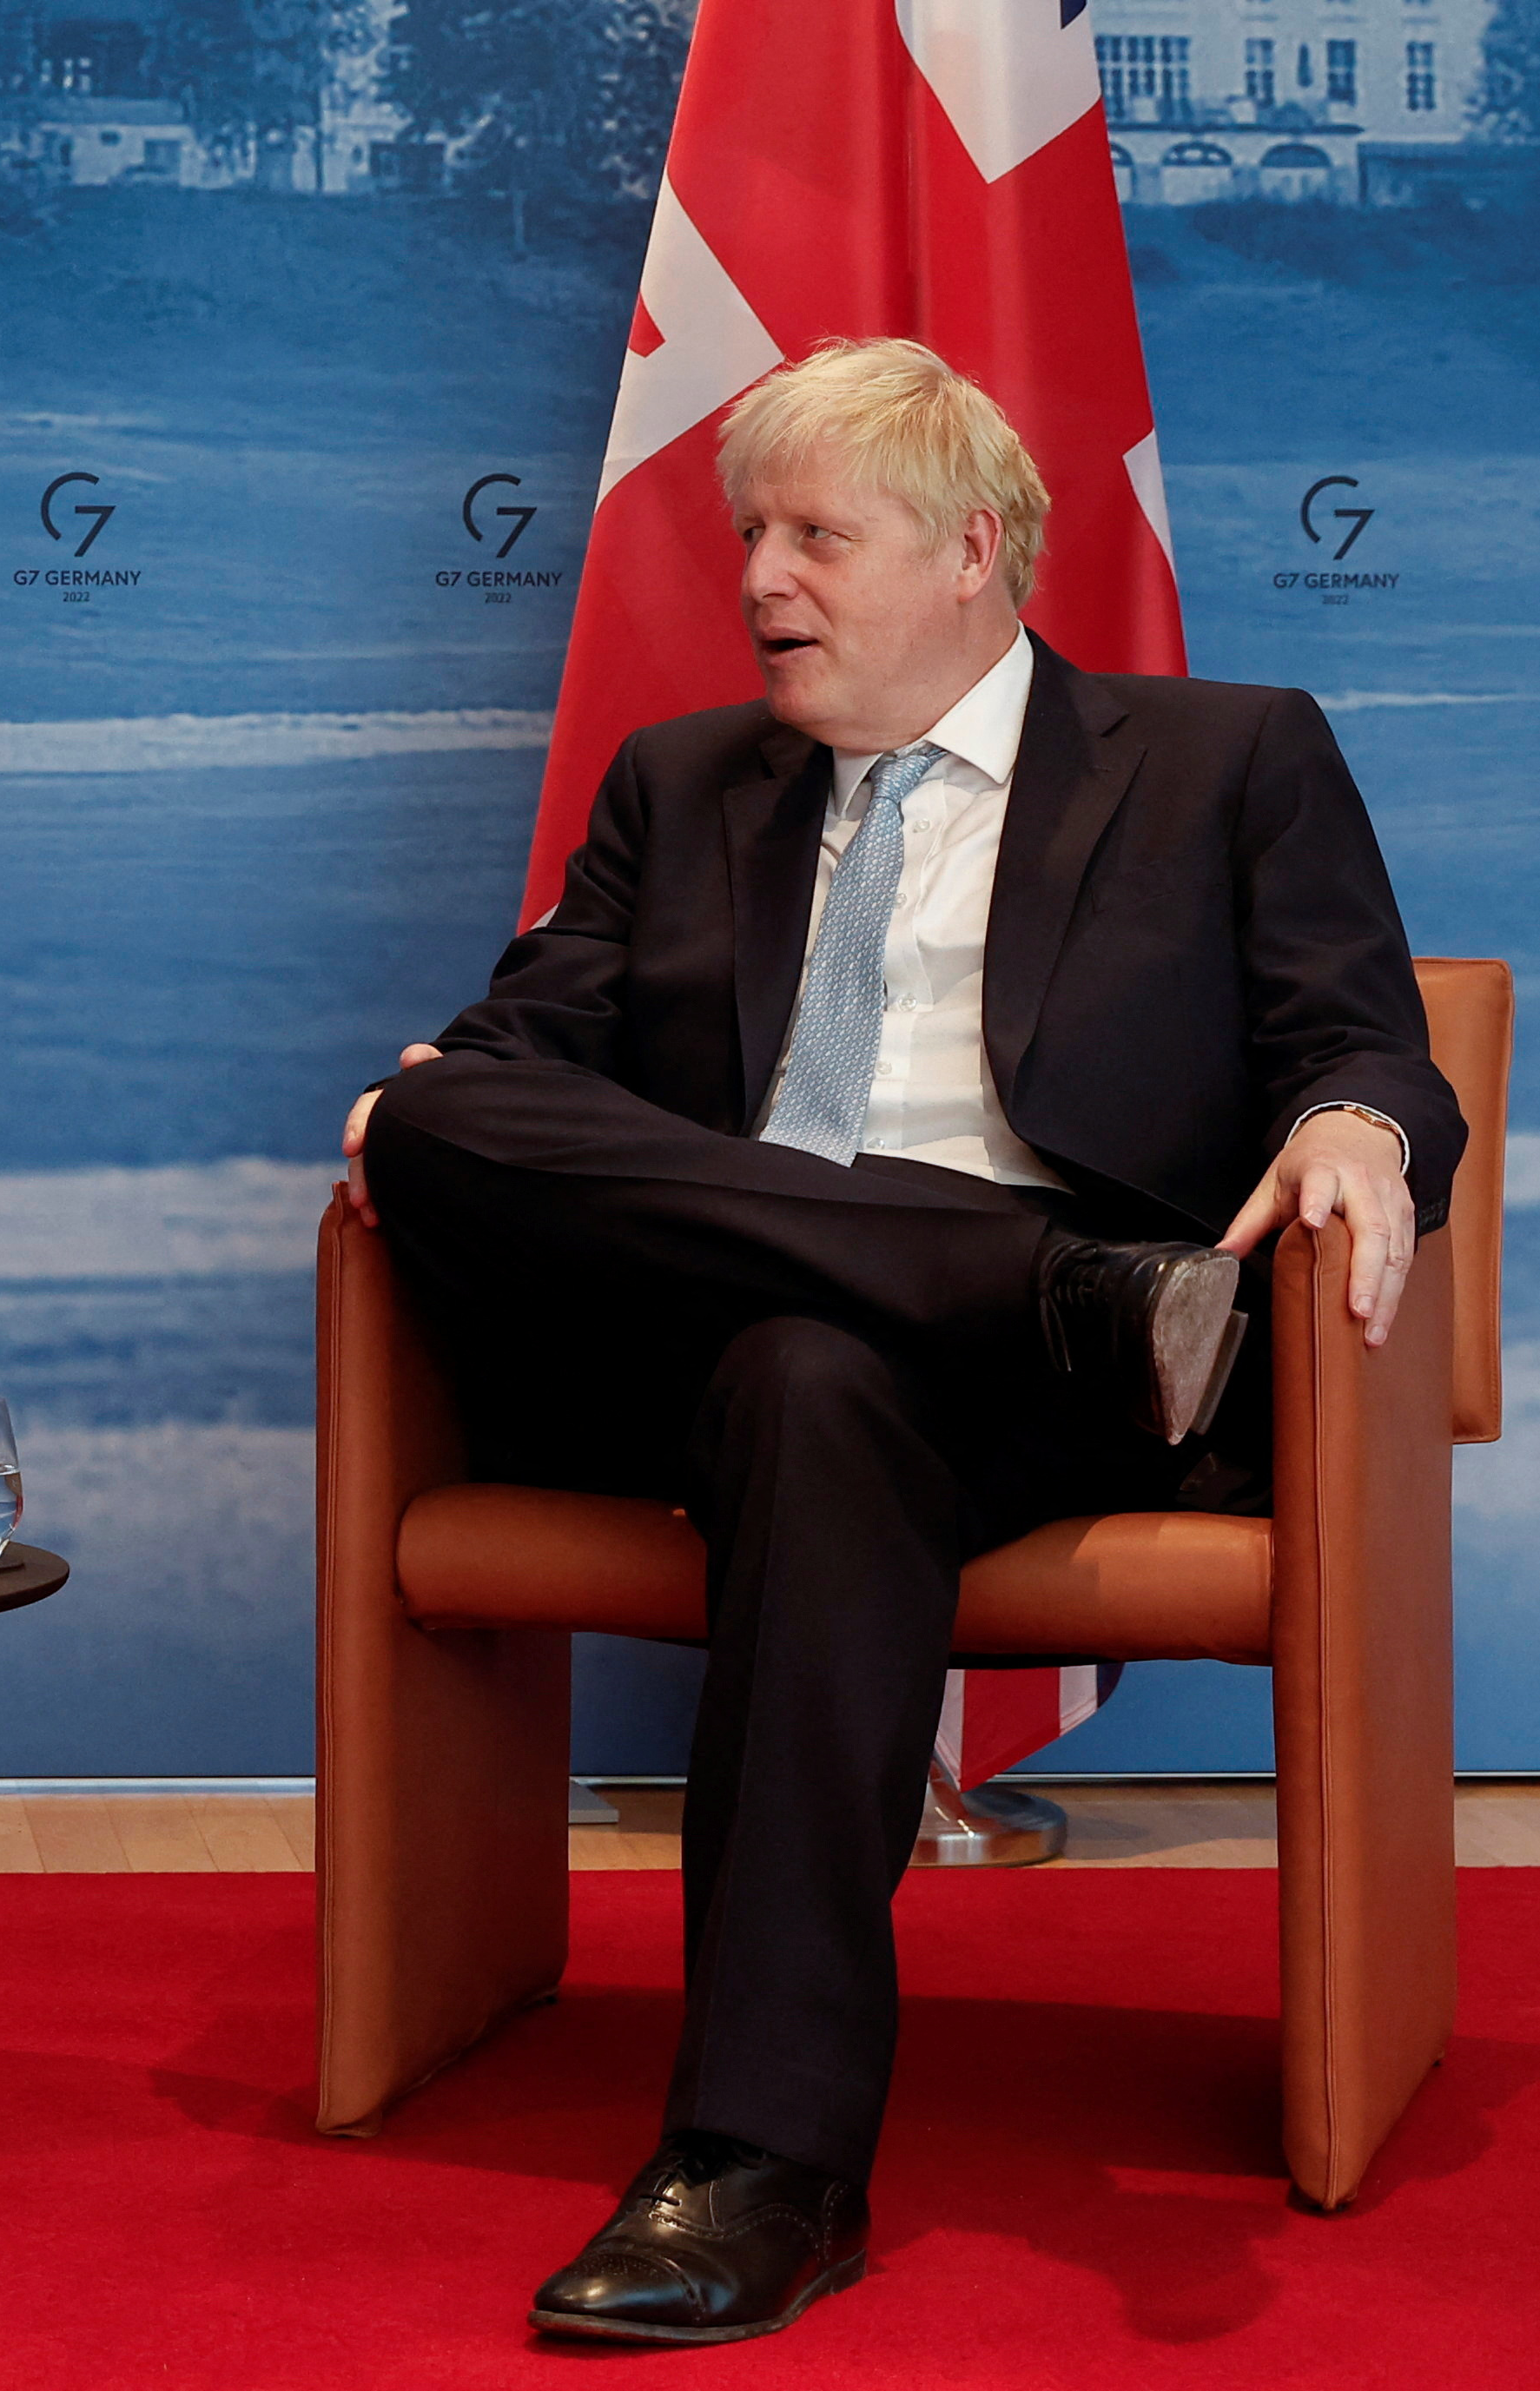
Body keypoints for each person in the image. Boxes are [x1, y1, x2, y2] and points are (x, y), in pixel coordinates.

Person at [338, 338, 1459, 2347]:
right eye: (748, 534)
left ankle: (754, 2163)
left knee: (807, 1374)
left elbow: (1363, 1042)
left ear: (972, 552)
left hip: (1051, 1418)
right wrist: (443, 1099)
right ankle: (1051, 1284)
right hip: (877, 1336)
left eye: (813, 536)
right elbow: (525, 1047)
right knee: (469, 1146)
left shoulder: (1224, 758)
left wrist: (1357, 1127)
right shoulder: (680, 786)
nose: (762, 577)